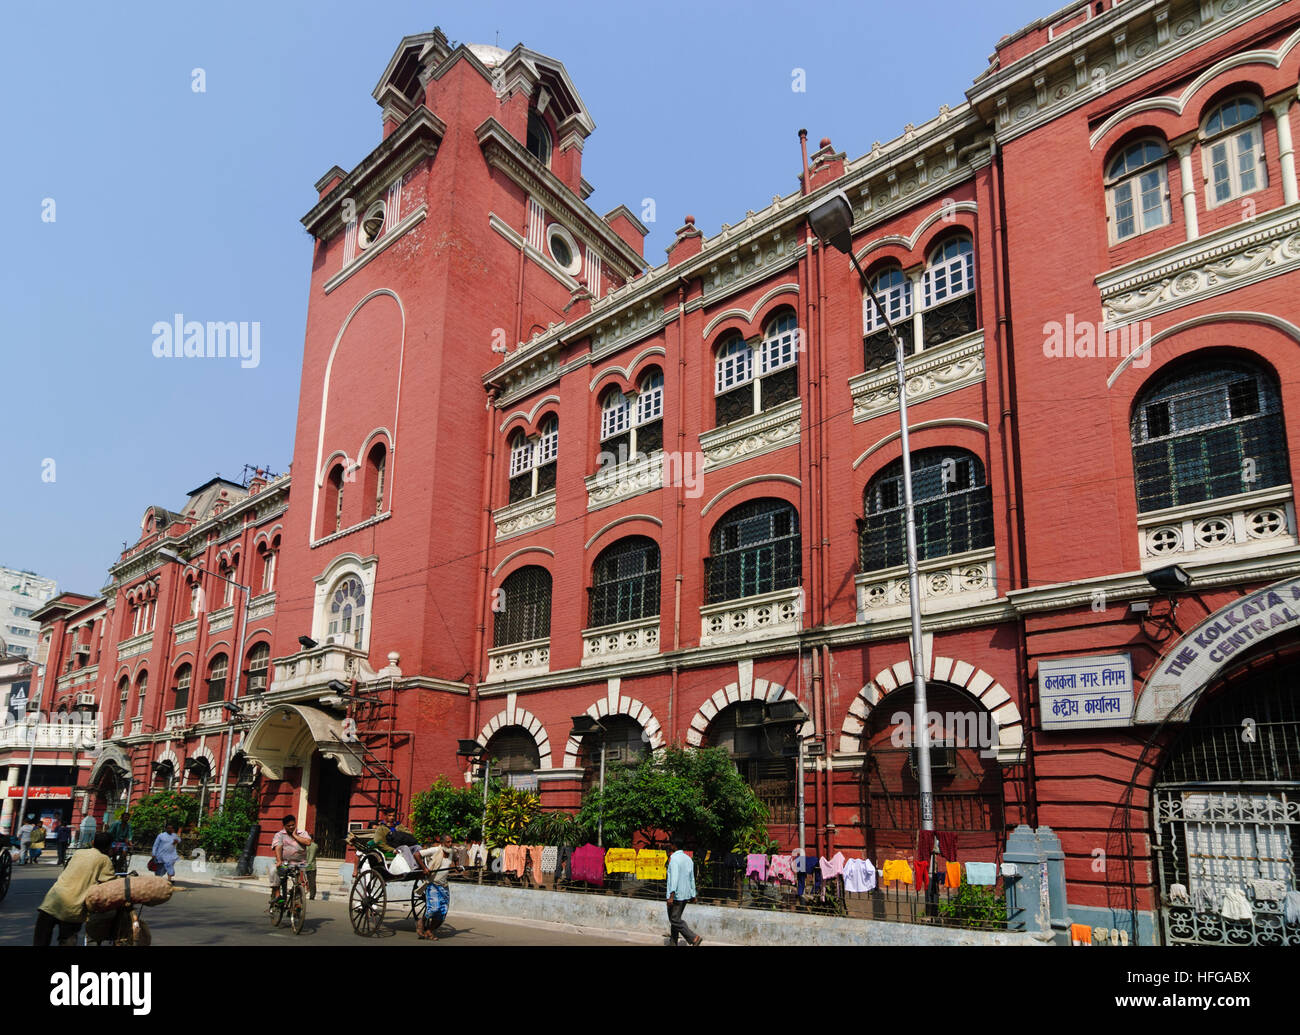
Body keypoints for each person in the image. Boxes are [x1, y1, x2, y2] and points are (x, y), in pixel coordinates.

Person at [34, 831, 116, 946]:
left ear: (92, 843)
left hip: (51, 902)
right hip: (73, 908)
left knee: (40, 940)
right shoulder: (104, 860)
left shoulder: (79, 853)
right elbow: (109, 883)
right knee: (67, 940)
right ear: (109, 847)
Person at [416, 833, 461, 940]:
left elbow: (456, 858)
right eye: (448, 842)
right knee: (434, 909)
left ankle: (429, 931)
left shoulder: (451, 852)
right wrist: (424, 868)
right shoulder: (435, 850)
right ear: (442, 843)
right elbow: (417, 854)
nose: (450, 844)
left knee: (442, 912)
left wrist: (457, 867)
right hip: (433, 885)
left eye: (451, 842)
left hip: (444, 886)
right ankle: (421, 922)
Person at [666, 836, 703, 947]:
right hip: (685, 895)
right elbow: (691, 878)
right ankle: (673, 943)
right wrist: (693, 894)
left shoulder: (674, 859)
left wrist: (671, 896)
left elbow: (674, 879)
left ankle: (693, 938)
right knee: (675, 920)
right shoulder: (688, 859)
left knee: (674, 919)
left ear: (673, 845)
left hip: (676, 896)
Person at [371, 807, 429, 875]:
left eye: (393, 816)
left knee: (417, 847)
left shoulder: (399, 826)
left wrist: (400, 832)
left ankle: (423, 865)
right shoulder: (381, 828)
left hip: (404, 846)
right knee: (404, 847)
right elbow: (379, 842)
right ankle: (414, 867)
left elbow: (409, 834)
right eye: (390, 816)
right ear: (386, 816)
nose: (392, 817)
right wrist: (392, 850)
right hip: (394, 848)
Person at [269, 815, 311, 905]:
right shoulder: (279, 835)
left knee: (301, 883)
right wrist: (279, 860)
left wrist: (295, 835)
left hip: (301, 864)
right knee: (274, 870)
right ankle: (277, 895)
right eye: (289, 826)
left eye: (293, 825)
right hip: (285, 863)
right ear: (284, 826)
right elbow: (278, 847)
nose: (291, 827)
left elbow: (308, 842)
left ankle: (296, 902)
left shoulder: (302, 833)